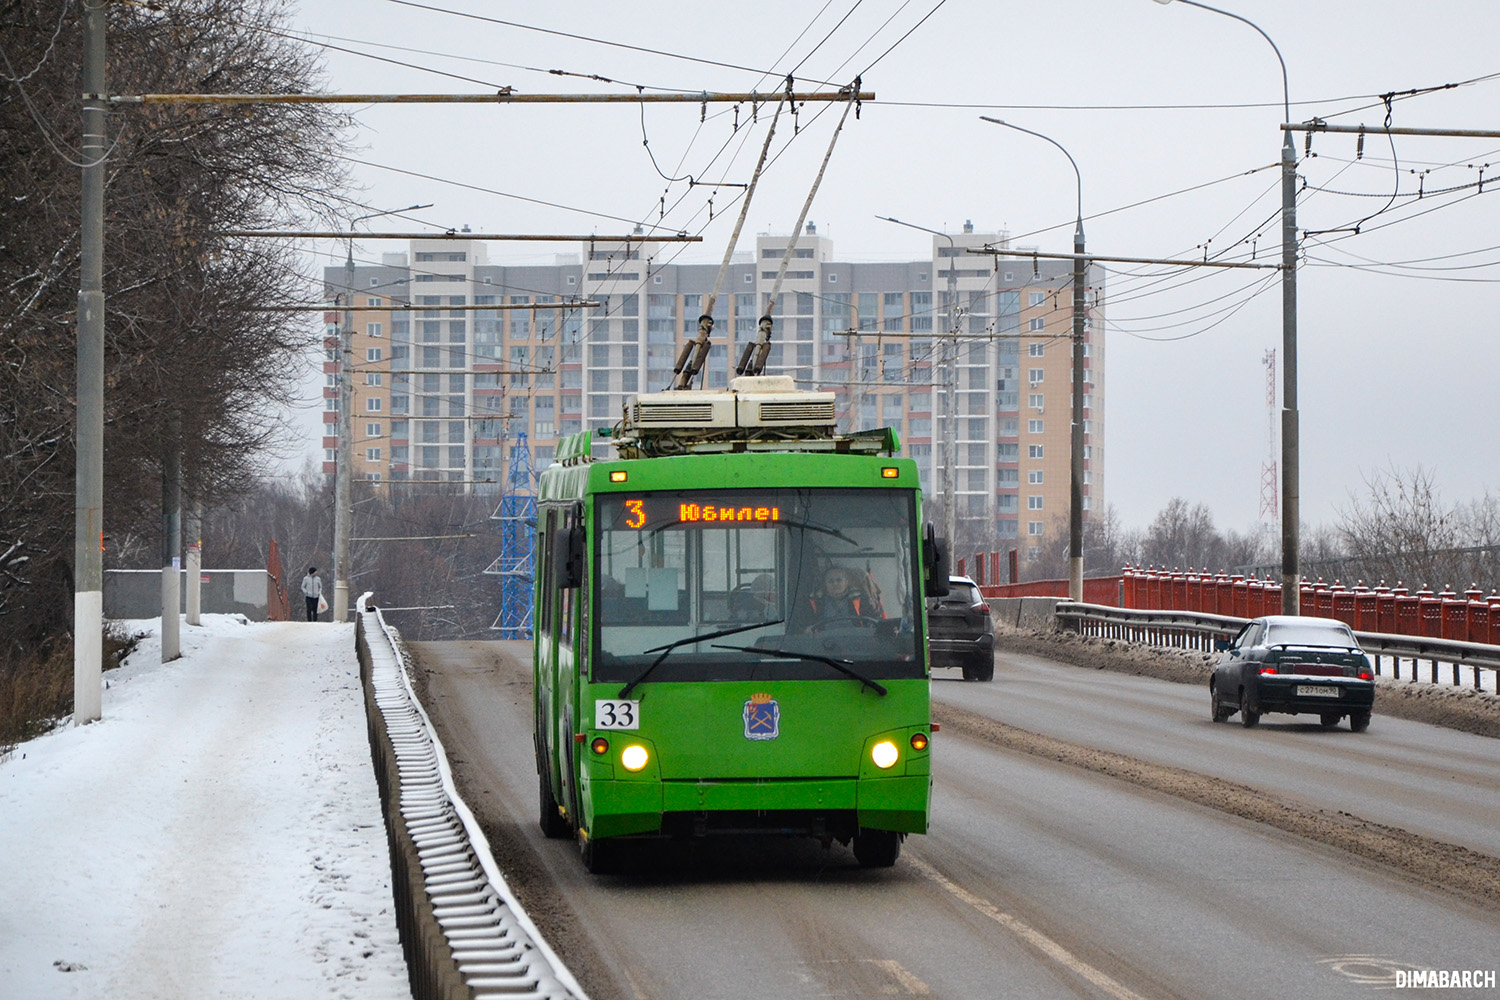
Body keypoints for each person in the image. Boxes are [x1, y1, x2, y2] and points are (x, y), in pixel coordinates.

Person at [800, 566, 881, 630]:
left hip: (856, 641)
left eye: (839, 580)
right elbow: (806, 625)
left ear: (846, 582)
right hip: (824, 643)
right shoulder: (815, 601)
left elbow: (872, 620)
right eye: (831, 581)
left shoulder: (861, 598)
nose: (835, 584)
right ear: (825, 584)